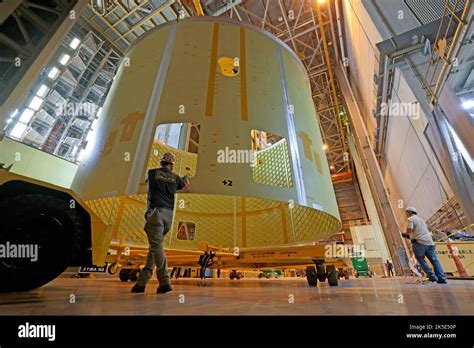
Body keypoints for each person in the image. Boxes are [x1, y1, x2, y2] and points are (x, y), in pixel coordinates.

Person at [131, 152, 190, 294]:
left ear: (161, 162)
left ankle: (164, 282)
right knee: (153, 248)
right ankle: (141, 283)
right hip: (168, 216)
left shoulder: (152, 173)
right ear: (172, 164)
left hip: (155, 214)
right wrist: (185, 179)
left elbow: (146, 181)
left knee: (156, 248)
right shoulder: (176, 178)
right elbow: (187, 188)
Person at [402, 207, 447, 284]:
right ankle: (441, 278)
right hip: (430, 243)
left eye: (406, 212)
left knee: (420, 259)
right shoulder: (421, 220)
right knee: (434, 260)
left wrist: (405, 234)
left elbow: (409, 229)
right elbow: (419, 232)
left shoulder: (411, 219)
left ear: (409, 212)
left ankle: (432, 277)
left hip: (419, 243)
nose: (406, 214)